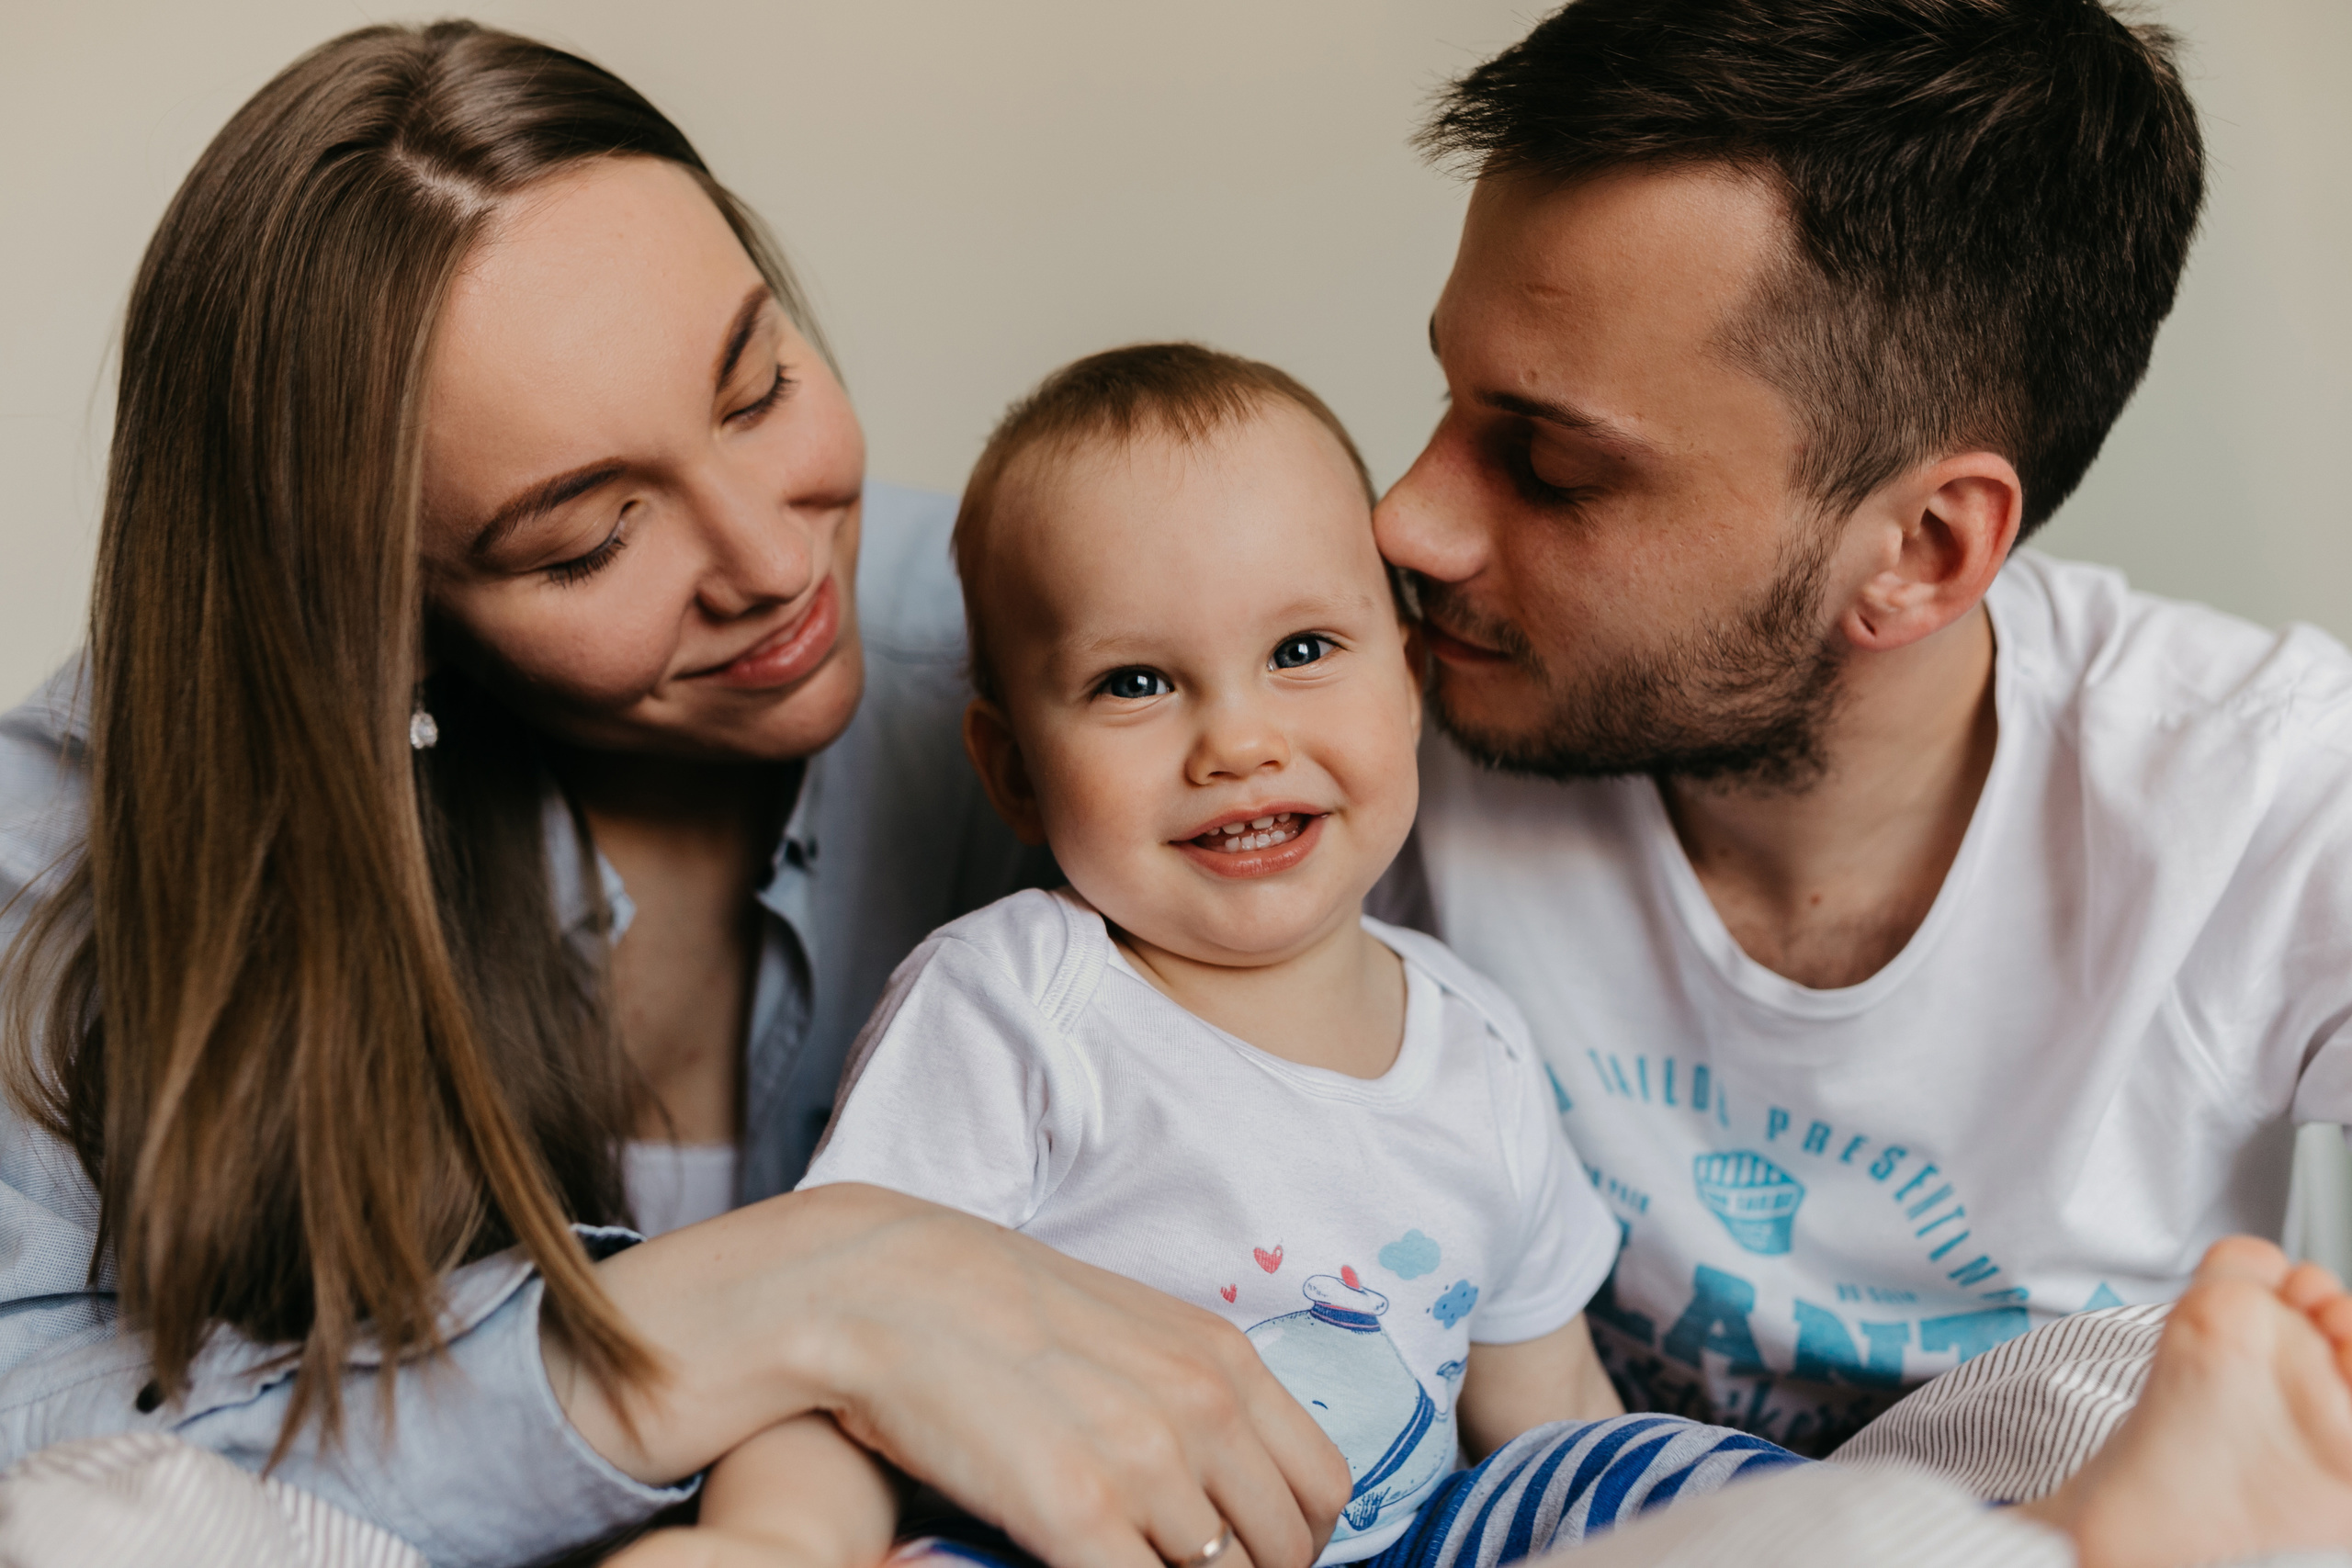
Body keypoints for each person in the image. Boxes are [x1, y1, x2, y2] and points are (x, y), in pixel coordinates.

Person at [615, 344, 2352, 1568]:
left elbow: (1543, 1403)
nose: (1238, 740)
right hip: (1068, 1539)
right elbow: (851, 1339)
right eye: (1136, 684)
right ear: (1010, 767)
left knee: (1663, 1475)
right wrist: (771, 1544)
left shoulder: (1470, 1034)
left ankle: (2035, 1538)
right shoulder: (1016, 1000)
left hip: (1425, 1533)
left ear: (1408, 680)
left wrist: (1677, 1507)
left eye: (1305, 650)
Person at [0, 23, 1351, 1568]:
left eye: (758, 389)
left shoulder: (1077, 665)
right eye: (588, 540)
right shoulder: (70, 840)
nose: (775, 564)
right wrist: (795, 1296)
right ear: (382, 623)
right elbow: (30, 1429)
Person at [1367, 0, 2352, 1457]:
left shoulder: (2270, 801)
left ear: (1924, 552)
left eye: (1556, 465)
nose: (1407, 521)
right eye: (1448, 397)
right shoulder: (1342, 721)